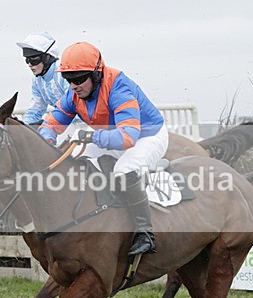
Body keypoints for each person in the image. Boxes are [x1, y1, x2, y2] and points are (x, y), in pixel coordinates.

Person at [39, 41, 168, 256]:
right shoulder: (73, 95)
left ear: (97, 74)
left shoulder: (119, 88)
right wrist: (48, 141)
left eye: (79, 79)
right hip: (113, 137)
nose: (74, 86)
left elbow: (128, 137)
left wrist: (92, 136)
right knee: (79, 160)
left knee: (125, 170)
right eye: (68, 80)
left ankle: (145, 233)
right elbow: (50, 124)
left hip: (147, 136)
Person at [16, 32, 70, 126]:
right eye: (27, 60)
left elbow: (72, 107)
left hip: (84, 123)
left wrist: (48, 122)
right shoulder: (37, 81)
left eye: (33, 59)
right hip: (64, 123)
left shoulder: (63, 74)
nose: (29, 64)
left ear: (47, 57)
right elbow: (35, 110)